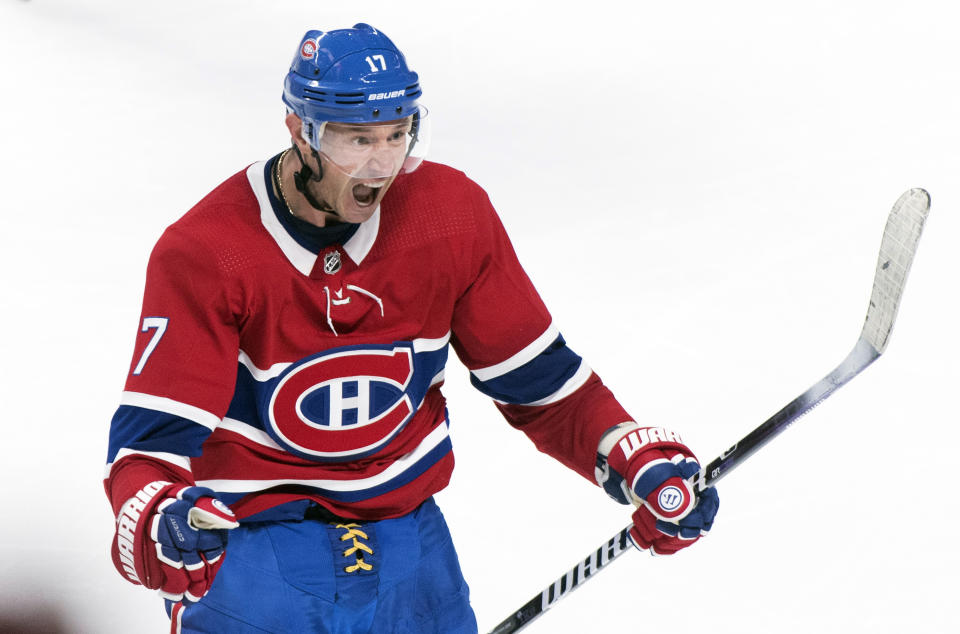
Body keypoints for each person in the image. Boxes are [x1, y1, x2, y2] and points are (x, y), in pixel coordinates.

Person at [104, 23, 719, 634]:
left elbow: (541, 388)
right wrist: (157, 516)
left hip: (411, 547)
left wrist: (628, 452)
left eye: (399, 134)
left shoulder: (449, 217)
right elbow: (148, 449)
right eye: (357, 138)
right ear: (299, 130)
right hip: (258, 551)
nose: (382, 162)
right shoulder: (210, 252)